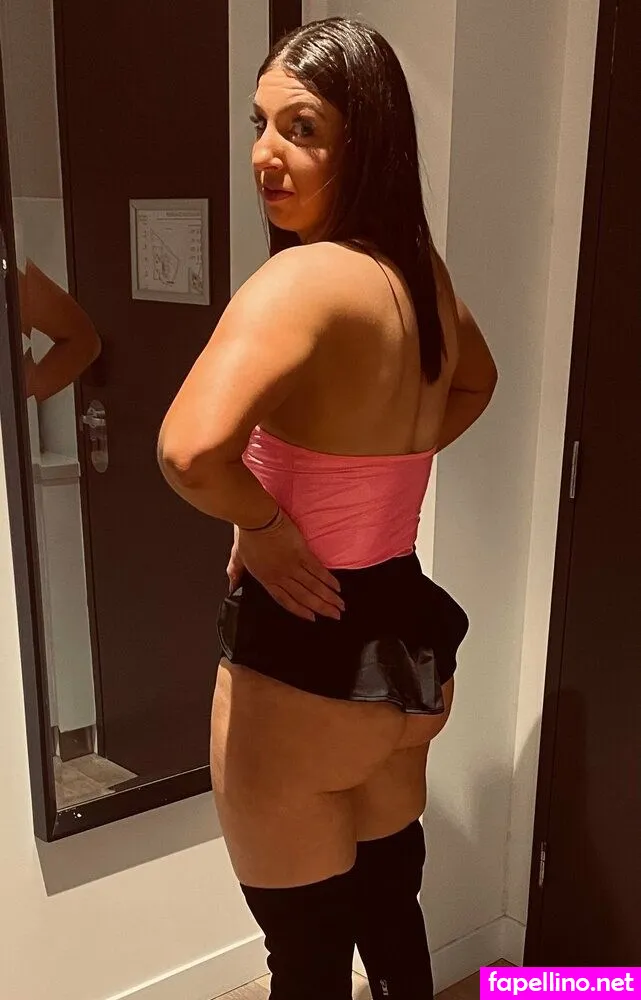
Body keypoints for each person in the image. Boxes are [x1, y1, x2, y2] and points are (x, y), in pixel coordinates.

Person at [159, 17, 497, 1000]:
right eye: (259, 123)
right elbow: (475, 382)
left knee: (304, 967)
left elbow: (188, 451)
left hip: (301, 670)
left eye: (300, 128)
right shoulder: (415, 275)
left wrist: (266, 524)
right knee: (390, 919)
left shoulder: (302, 281)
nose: (265, 154)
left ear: (366, 141)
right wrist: (372, 483)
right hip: (403, 662)